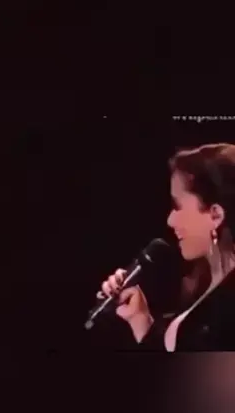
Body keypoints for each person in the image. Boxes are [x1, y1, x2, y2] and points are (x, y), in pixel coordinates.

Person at [98, 142, 235, 351]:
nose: (170, 220)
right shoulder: (206, 286)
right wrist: (140, 319)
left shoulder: (227, 306)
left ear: (215, 214)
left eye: (177, 206)